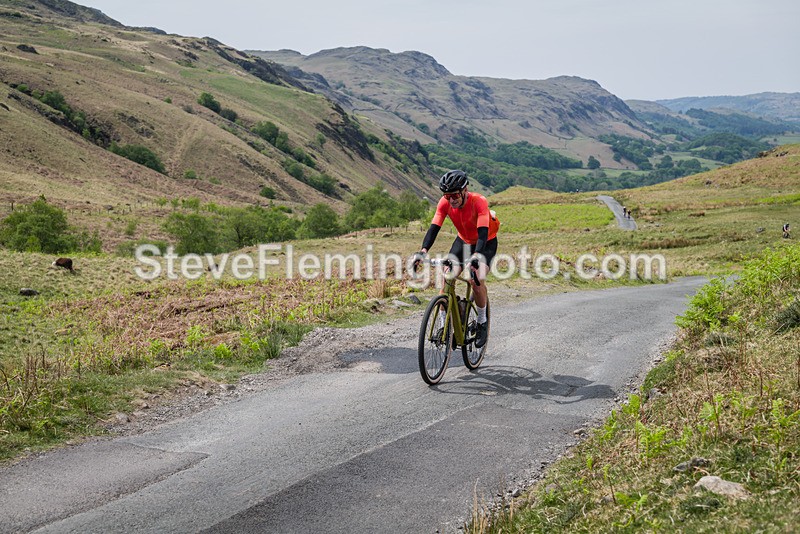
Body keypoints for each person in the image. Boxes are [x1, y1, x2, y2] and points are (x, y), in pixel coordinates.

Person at [413, 170, 499, 348]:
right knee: (447, 277)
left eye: (454, 195)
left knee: (474, 278)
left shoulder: (479, 201)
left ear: (464, 190)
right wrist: (423, 251)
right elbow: (434, 227)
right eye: (446, 195)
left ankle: (482, 322)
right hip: (463, 241)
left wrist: (476, 256)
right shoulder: (444, 203)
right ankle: (445, 326)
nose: (451, 199)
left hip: (485, 242)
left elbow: (483, 232)